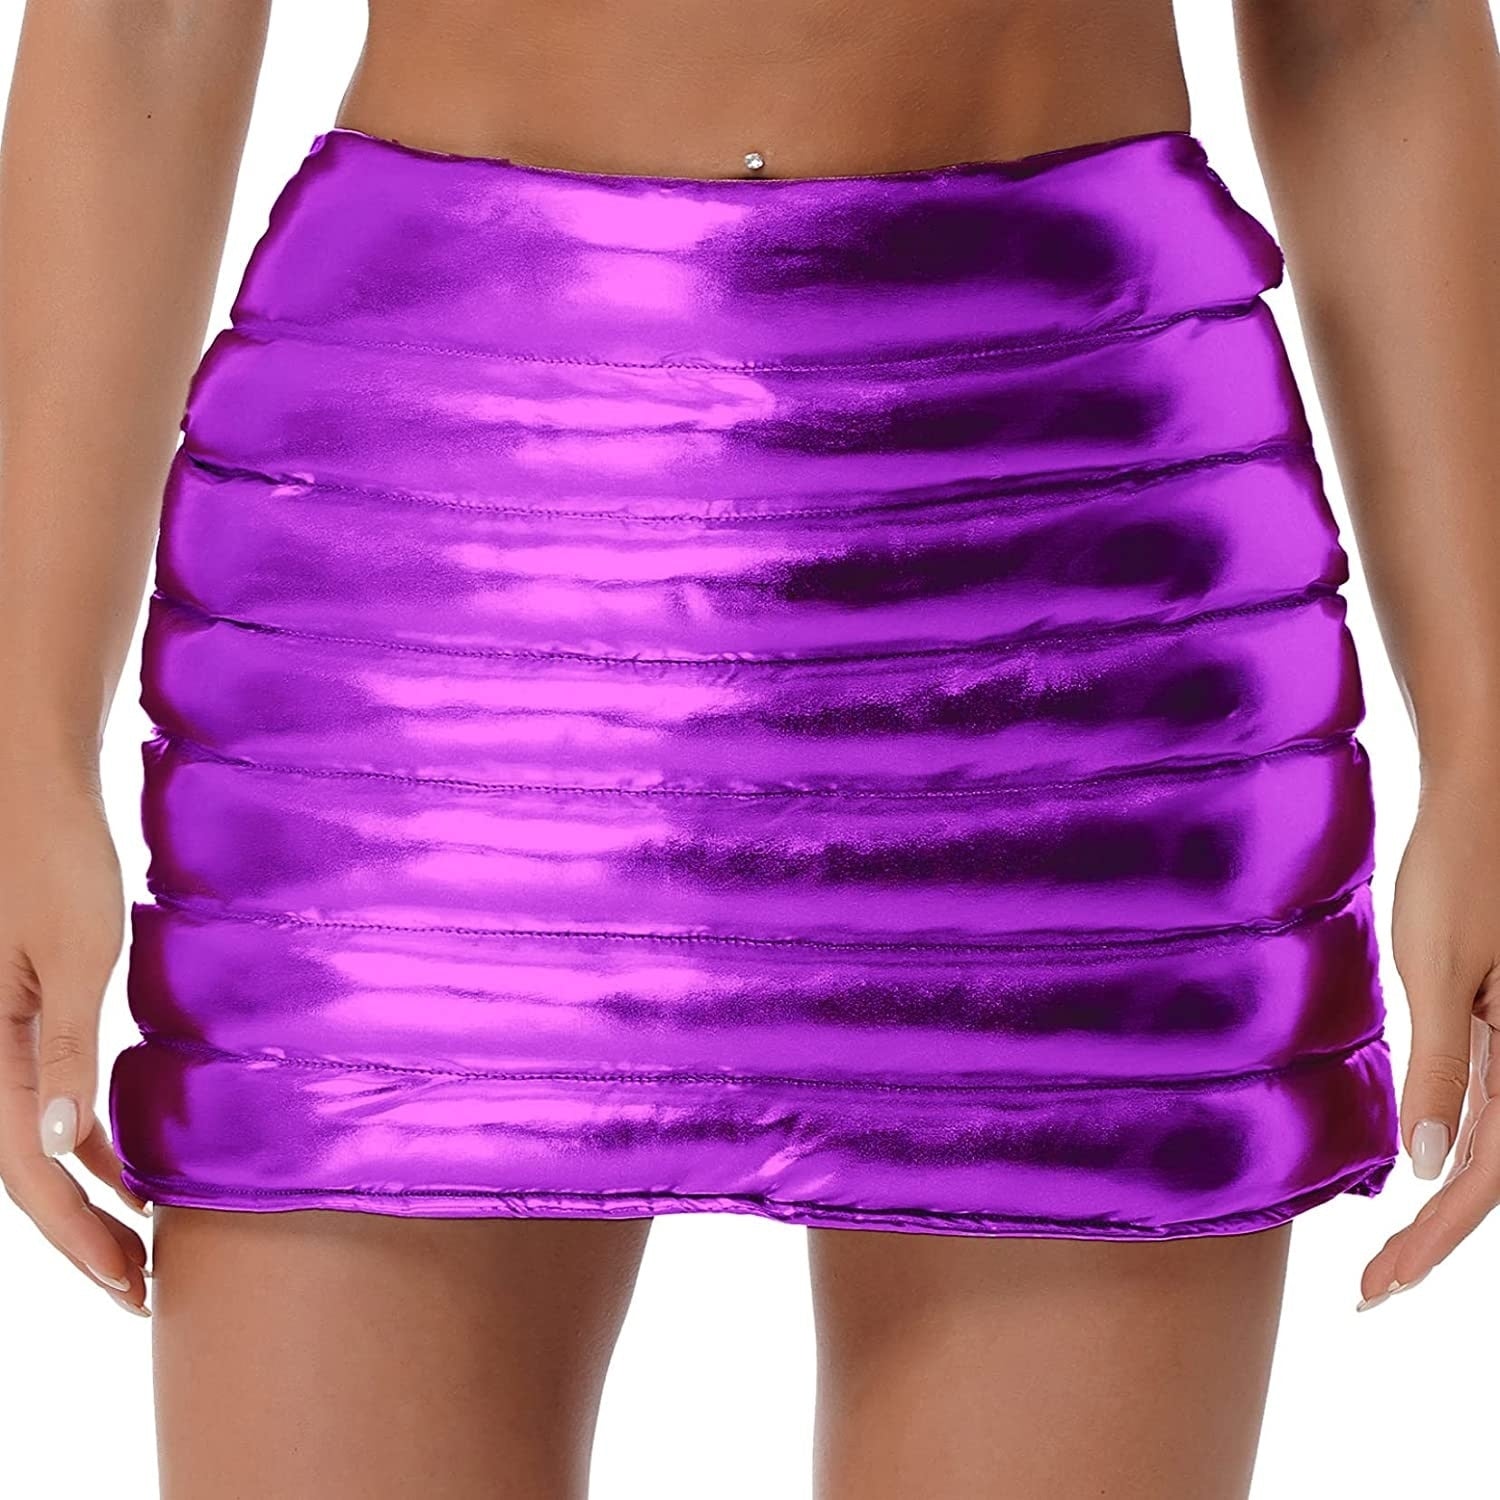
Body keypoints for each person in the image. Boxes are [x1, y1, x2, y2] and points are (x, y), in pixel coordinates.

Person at [2, 2, 1497, 1496]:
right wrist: (18, 742)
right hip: (430, 552)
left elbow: (1371, 30)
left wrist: (1491, 747)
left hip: (1077, 552)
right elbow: (141, 24)